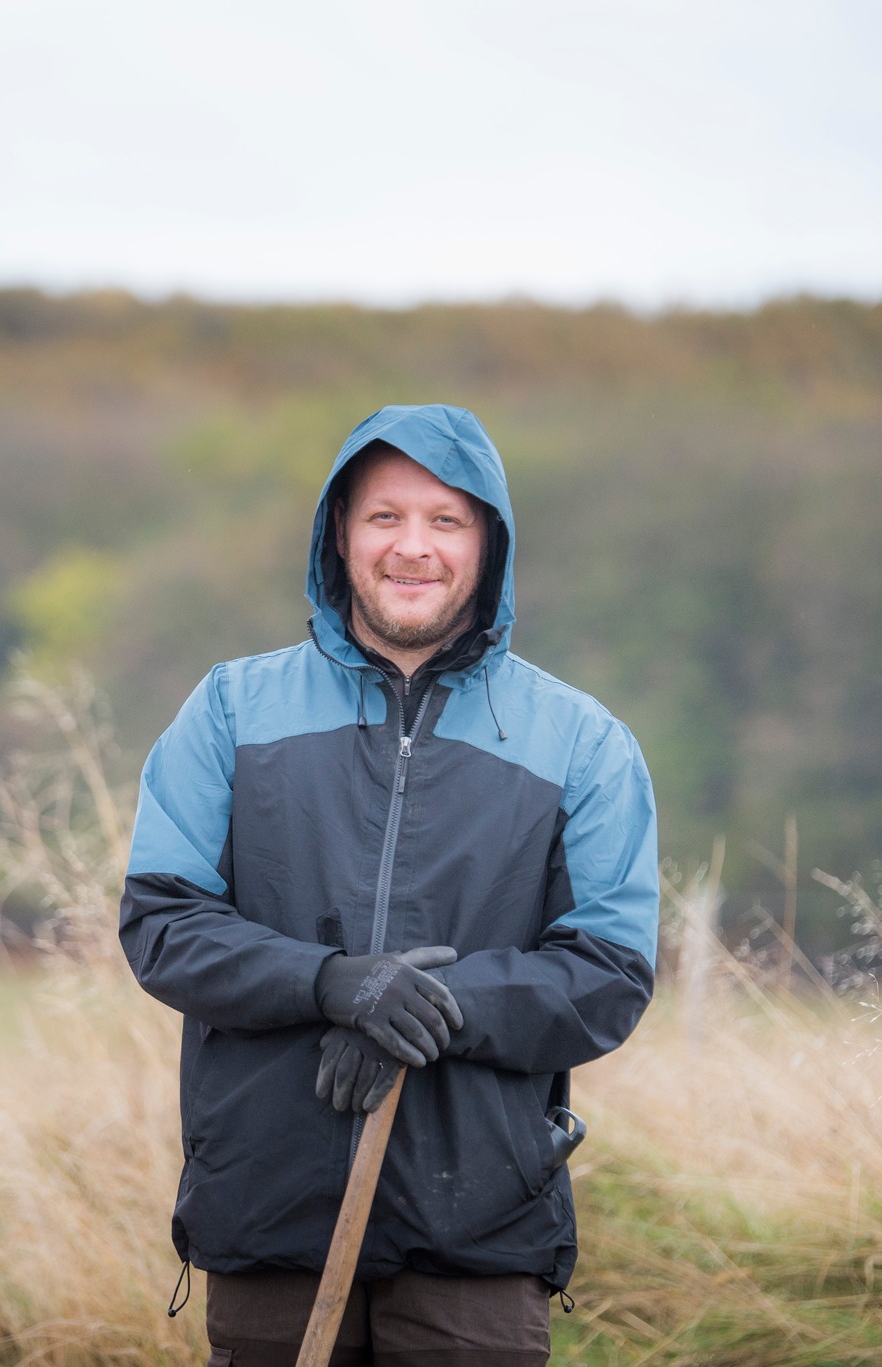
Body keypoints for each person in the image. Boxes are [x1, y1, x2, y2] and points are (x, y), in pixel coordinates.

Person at [120, 405, 659, 1367]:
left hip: (479, 1238)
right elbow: (163, 922)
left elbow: (609, 971)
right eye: (384, 517)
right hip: (270, 1219)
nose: (414, 547)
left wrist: (431, 1004)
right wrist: (332, 982)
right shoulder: (231, 709)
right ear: (339, 532)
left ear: (489, 543)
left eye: (447, 520)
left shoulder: (583, 743)